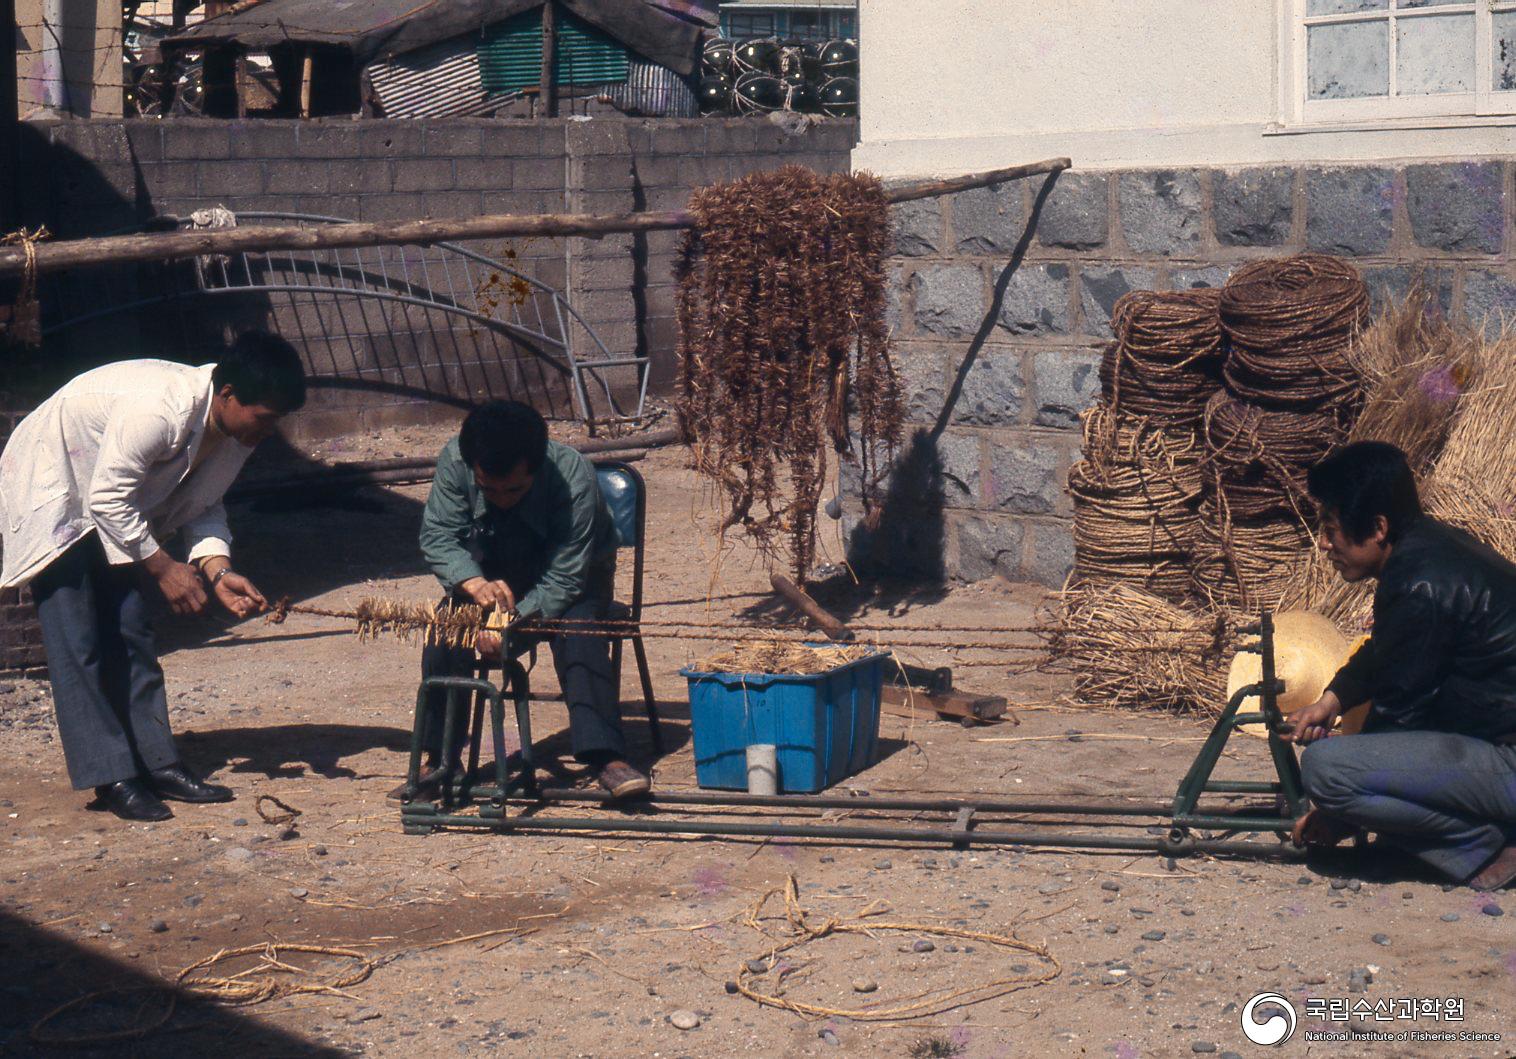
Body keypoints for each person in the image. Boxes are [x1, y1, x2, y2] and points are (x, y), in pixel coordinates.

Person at [0, 333, 307, 821]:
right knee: (78, 637)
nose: (268, 430)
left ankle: (156, 762)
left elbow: (204, 502)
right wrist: (163, 566)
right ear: (227, 394)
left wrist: (216, 567)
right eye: (265, 418)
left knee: (132, 628)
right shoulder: (160, 410)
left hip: (114, 503)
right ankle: (111, 775)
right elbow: (105, 499)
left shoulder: (237, 431)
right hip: (57, 484)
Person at [1284, 441, 1516, 892]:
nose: (1325, 544)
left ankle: (1480, 843)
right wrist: (1333, 700)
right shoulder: (1433, 549)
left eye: (1332, 529)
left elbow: (1398, 719)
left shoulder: (1420, 585)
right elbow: (1390, 646)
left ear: (1377, 528)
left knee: (1326, 771)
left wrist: (1339, 814)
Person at [413, 400, 650, 800]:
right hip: (491, 570)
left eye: (515, 489)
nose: (502, 499)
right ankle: (440, 759)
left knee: (579, 630)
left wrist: (510, 623)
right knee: (445, 632)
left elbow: (565, 577)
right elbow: (438, 536)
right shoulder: (456, 459)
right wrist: (471, 581)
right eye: (489, 489)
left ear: (537, 470)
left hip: (576, 578)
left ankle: (606, 756)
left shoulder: (572, 476)